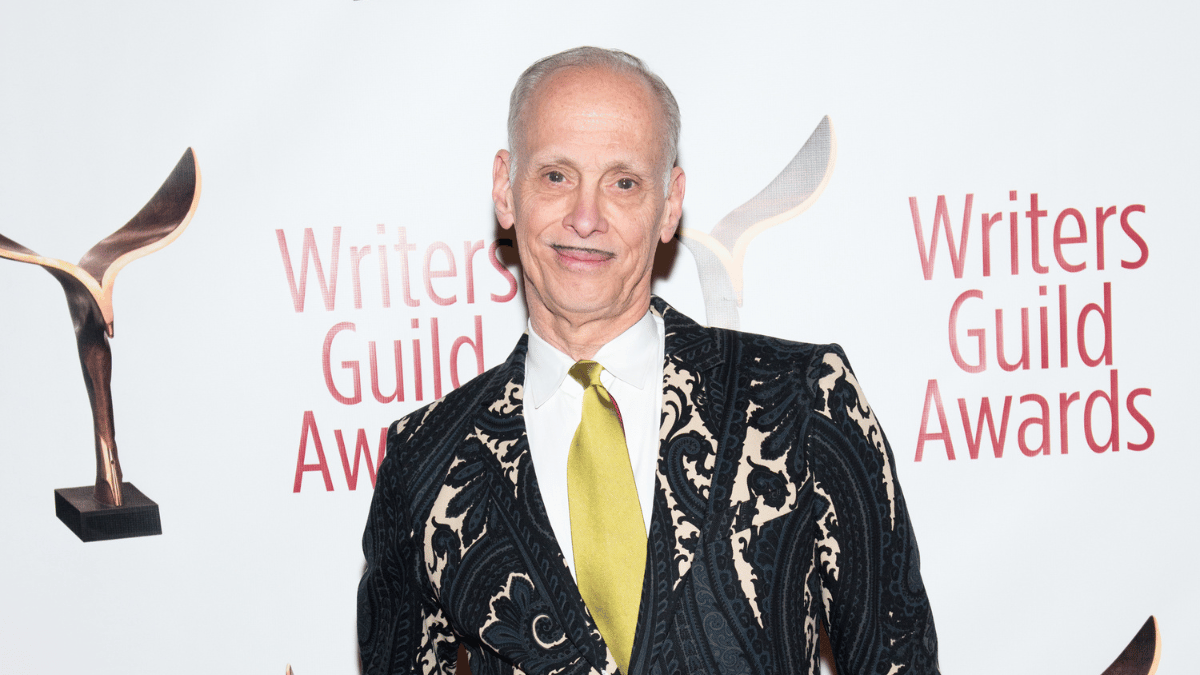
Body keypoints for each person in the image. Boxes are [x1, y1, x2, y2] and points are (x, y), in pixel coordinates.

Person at [358, 46, 940, 675]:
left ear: (668, 204)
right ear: (506, 188)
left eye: (624, 182)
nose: (586, 217)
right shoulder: (425, 460)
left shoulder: (803, 401)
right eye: (556, 175)